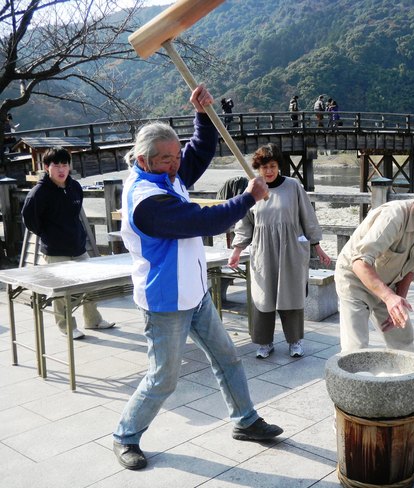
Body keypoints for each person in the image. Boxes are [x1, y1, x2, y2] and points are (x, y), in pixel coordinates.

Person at [113, 85, 283, 471]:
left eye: (175, 157)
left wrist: (202, 115)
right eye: (167, 160)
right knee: (163, 378)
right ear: (143, 158)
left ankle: (245, 420)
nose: (176, 165)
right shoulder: (145, 198)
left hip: (195, 293)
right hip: (165, 301)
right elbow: (202, 221)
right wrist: (248, 197)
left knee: (227, 358)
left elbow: (199, 151)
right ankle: (125, 436)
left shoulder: (165, 174)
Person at [335, 173, 414, 352]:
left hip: (387, 283)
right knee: (356, 348)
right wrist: (389, 297)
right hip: (355, 279)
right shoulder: (394, 216)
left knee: (403, 337)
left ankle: (404, 379)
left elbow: (410, 268)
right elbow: (359, 262)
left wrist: (398, 301)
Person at [228, 143, 331, 359]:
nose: (269, 171)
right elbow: (244, 224)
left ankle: (295, 341)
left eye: (273, 166)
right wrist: (237, 250)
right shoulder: (252, 190)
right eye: (264, 167)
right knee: (263, 297)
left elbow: (308, 218)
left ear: (279, 166)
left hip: (290, 249)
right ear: (258, 168)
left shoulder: (293, 186)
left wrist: (317, 247)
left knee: (290, 294)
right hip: (263, 250)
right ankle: (265, 343)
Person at [21, 147, 115, 339]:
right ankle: (66, 326)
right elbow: (29, 219)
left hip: (78, 246)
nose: (61, 169)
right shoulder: (38, 193)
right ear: (47, 167)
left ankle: (93, 320)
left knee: (90, 284)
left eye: (65, 164)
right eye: (56, 165)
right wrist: (46, 233)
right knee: (62, 292)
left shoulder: (74, 187)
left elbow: (76, 213)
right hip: (55, 250)